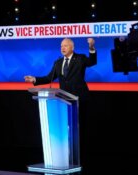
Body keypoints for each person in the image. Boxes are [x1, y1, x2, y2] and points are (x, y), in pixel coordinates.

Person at [24, 37, 97, 165]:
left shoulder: (80, 58)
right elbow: (49, 77)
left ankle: (81, 157)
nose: (62, 48)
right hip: (64, 100)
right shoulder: (58, 62)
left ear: (72, 47)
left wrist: (91, 48)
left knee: (80, 129)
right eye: (61, 46)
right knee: (67, 129)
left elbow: (92, 61)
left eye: (65, 46)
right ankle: (67, 156)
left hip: (80, 99)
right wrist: (34, 79)